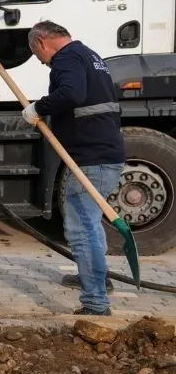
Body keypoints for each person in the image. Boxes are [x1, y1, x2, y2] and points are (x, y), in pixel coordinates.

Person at [23, 20, 126, 316]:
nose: (42, 62)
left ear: (41, 43)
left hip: (94, 156)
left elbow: (71, 94)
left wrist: (38, 108)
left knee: (81, 227)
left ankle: (95, 303)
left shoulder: (66, 58)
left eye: (37, 54)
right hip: (102, 153)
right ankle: (96, 278)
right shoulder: (89, 55)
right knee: (91, 222)